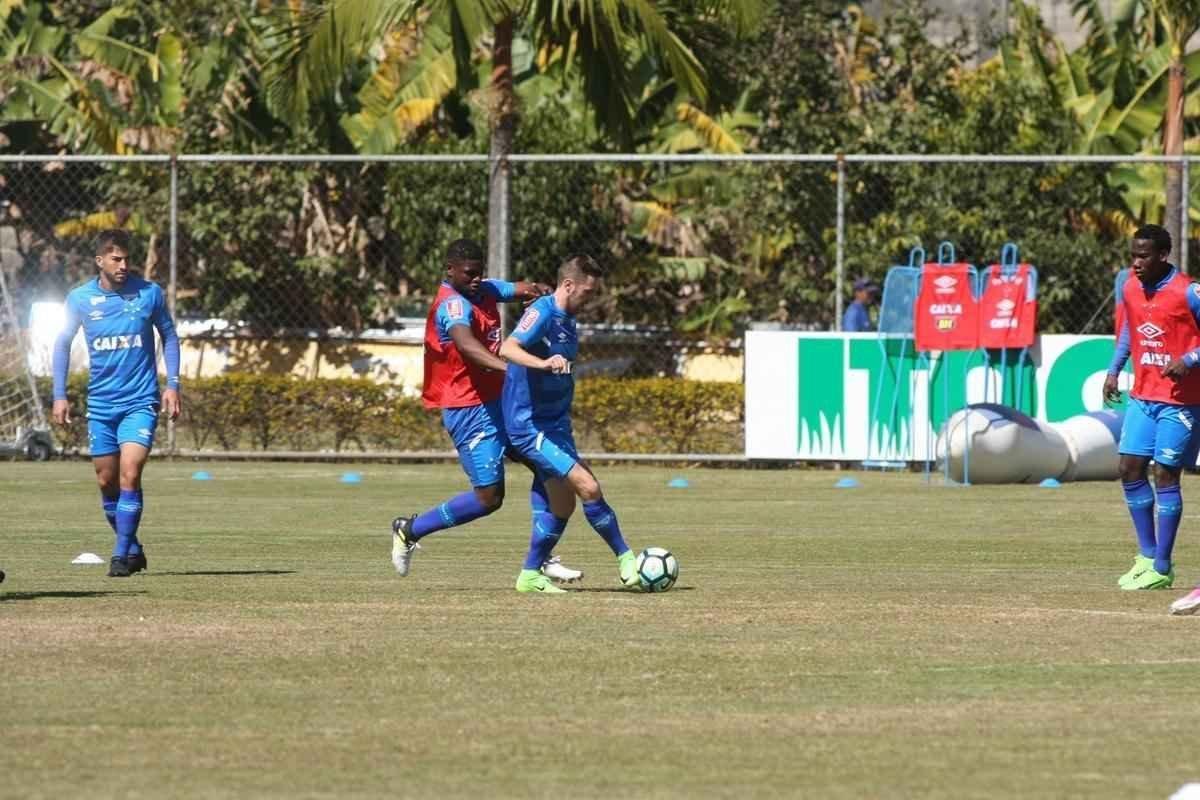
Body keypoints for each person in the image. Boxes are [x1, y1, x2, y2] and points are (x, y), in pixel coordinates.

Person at [390, 238, 582, 584]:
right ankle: (410, 529)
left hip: (499, 402)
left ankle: (540, 558)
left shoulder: (484, 289)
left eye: (480, 272)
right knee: (489, 498)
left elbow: (520, 288)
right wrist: (514, 368)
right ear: (450, 271)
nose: (477, 279)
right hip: (468, 409)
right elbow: (467, 346)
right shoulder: (452, 306)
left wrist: (544, 292)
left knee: (546, 464)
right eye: (469, 273)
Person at [499, 254, 639, 594]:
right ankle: (626, 559)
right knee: (588, 486)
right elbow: (508, 347)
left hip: (556, 425)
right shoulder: (543, 312)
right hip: (530, 425)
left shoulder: (569, 319)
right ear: (568, 285)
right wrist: (544, 363)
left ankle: (530, 575)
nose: (589, 299)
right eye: (587, 292)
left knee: (564, 505)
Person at [51, 229, 181, 578]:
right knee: (106, 480)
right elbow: (62, 343)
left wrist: (173, 385)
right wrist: (59, 395)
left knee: (130, 473)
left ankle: (121, 555)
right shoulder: (79, 299)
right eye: (116, 259)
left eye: (127, 259)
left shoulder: (149, 293)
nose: (123, 266)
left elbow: (169, 335)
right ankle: (134, 547)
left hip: (139, 401)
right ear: (100, 261)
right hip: (101, 405)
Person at [1103, 224, 1200, 592]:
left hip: (1182, 401)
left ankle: (1162, 565)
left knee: (1166, 475)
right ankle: (1146, 556)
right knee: (1129, 468)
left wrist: (1190, 359)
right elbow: (1131, 326)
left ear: (1163, 255)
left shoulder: (1188, 291)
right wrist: (1114, 370)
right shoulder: (1130, 285)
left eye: (1143, 256)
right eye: (1133, 255)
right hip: (1144, 395)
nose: (1136, 263)